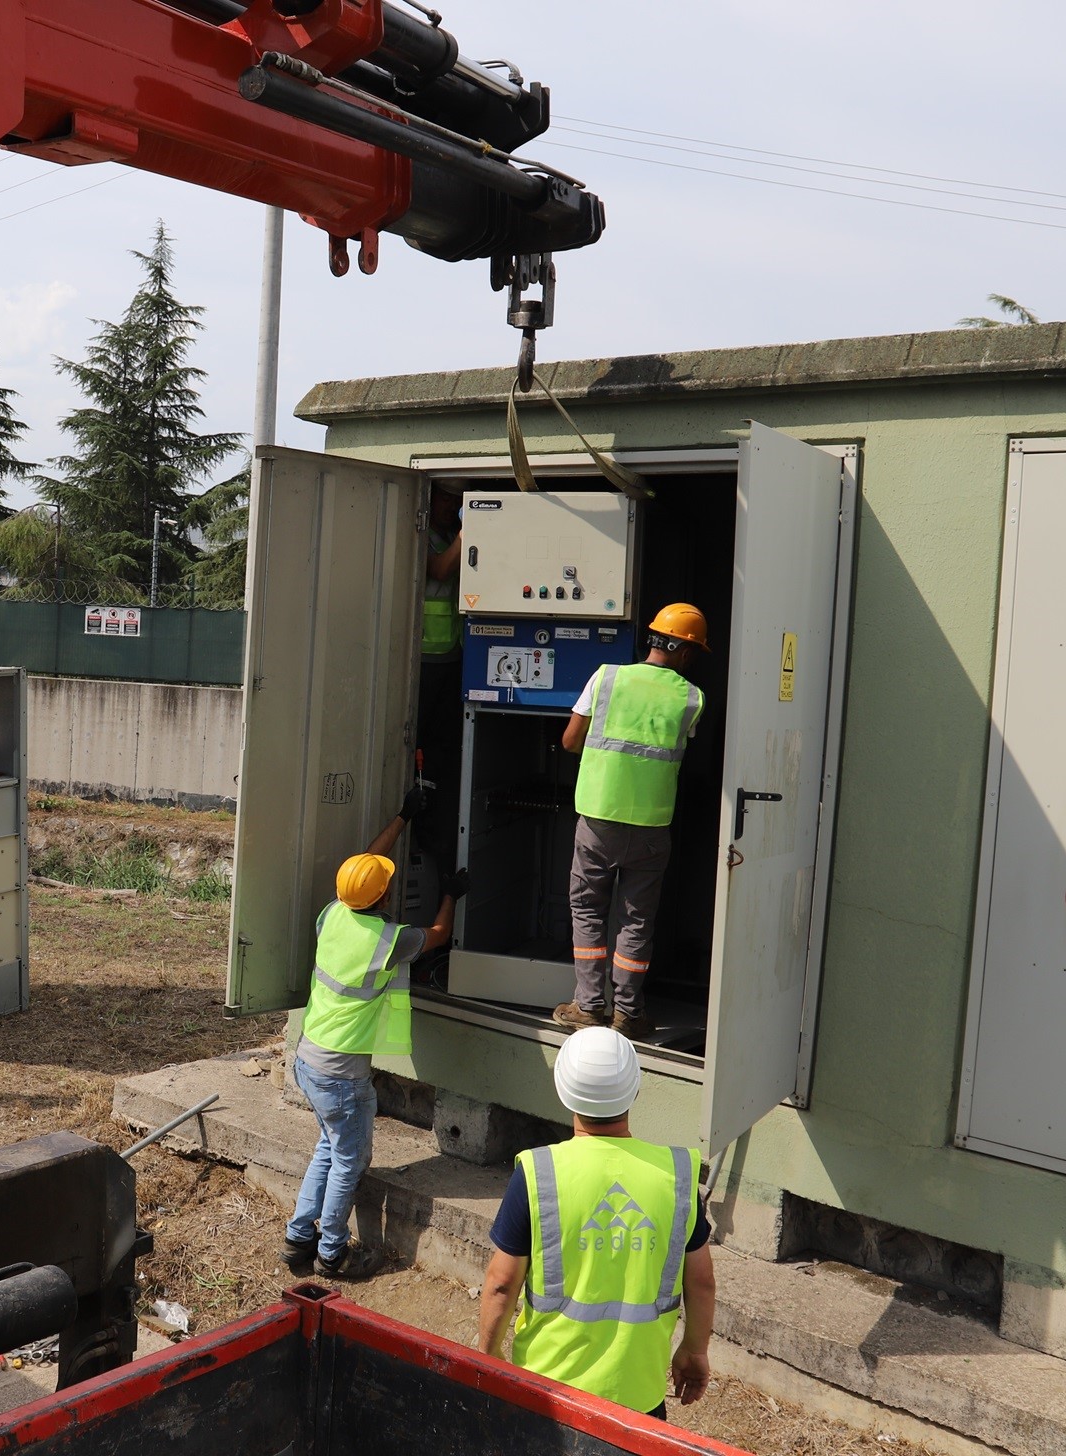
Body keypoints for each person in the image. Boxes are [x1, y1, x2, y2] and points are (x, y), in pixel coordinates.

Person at [476, 1028, 715, 1419]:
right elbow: (701, 1280)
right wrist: (694, 1348)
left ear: (563, 1090)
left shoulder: (540, 1173)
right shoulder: (677, 1175)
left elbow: (501, 1284)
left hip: (546, 1395)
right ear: (635, 1090)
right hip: (638, 1400)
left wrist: (488, 1356)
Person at [281, 790, 470, 1280]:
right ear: (384, 897)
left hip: (310, 1060)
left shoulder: (333, 914)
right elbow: (439, 934)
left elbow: (368, 863)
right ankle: (332, 1253)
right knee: (350, 1159)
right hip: (341, 1076)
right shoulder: (391, 940)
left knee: (330, 1147)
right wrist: (450, 891)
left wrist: (403, 815)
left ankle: (299, 1239)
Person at [554, 604, 711, 1037]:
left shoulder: (606, 677)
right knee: (636, 919)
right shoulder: (691, 698)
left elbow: (570, 741)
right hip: (650, 826)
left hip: (598, 818)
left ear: (654, 640)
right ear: (686, 652)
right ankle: (628, 1013)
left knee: (587, 909)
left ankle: (588, 1006)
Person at [415, 484, 466, 877]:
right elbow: (439, 569)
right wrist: (471, 531)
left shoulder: (450, 534)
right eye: (446, 498)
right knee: (420, 743)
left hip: (452, 655)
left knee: (443, 747)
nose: (453, 505)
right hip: (426, 657)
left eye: (457, 499)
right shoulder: (425, 534)